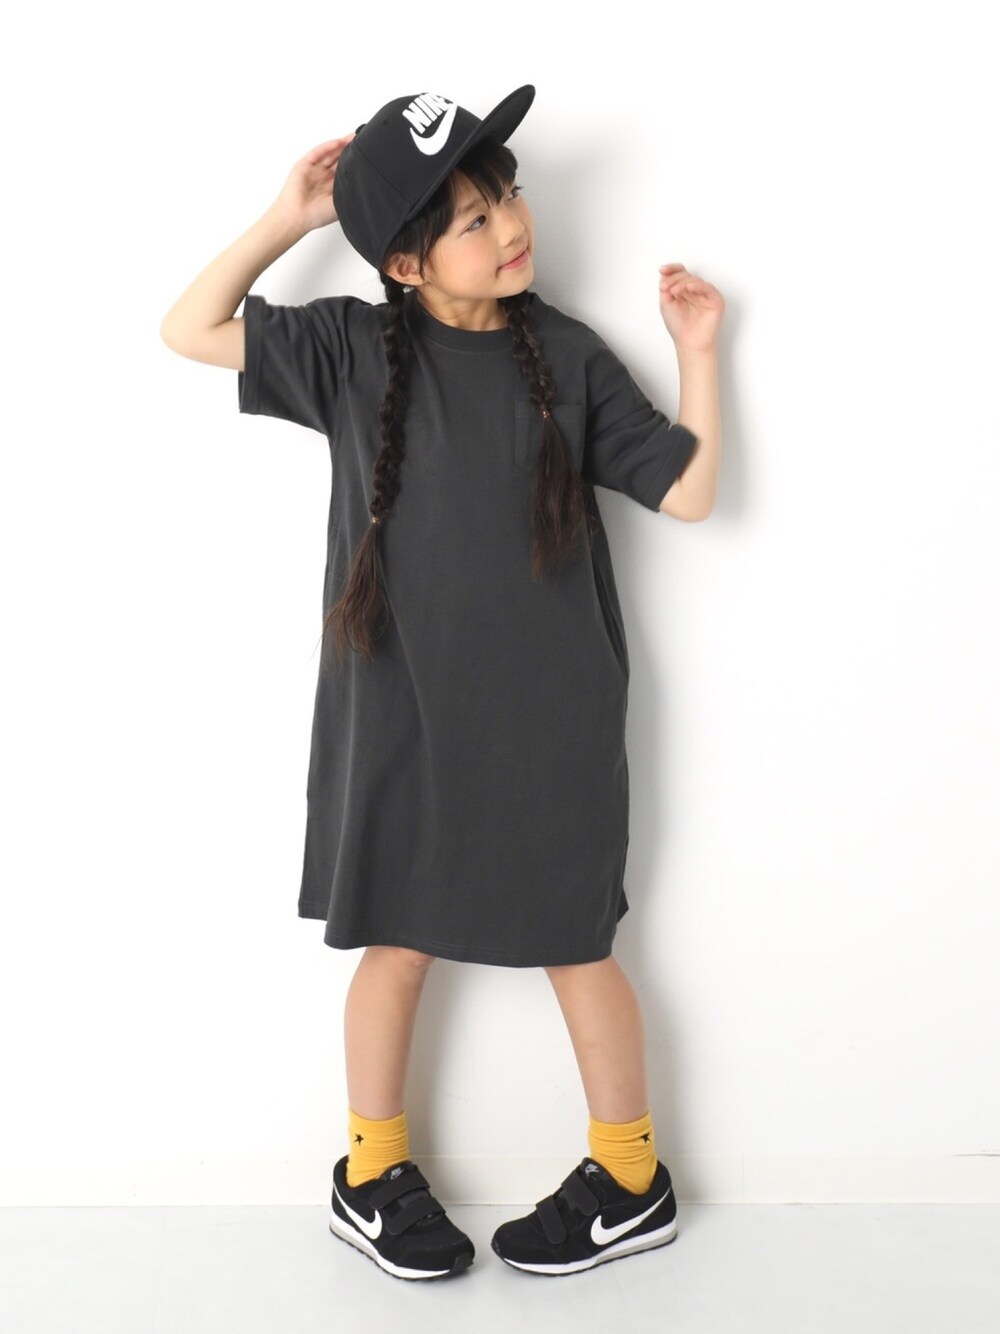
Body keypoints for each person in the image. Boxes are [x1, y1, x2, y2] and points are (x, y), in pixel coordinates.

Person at [160, 84, 724, 1282]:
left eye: (508, 193)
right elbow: (189, 326)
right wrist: (288, 218)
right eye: (474, 216)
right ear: (406, 263)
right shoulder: (349, 350)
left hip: (551, 726)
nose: (511, 223)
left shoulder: (567, 355)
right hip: (400, 716)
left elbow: (686, 492)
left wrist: (698, 358)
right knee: (397, 943)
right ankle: (370, 1172)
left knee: (579, 944)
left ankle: (631, 1178)